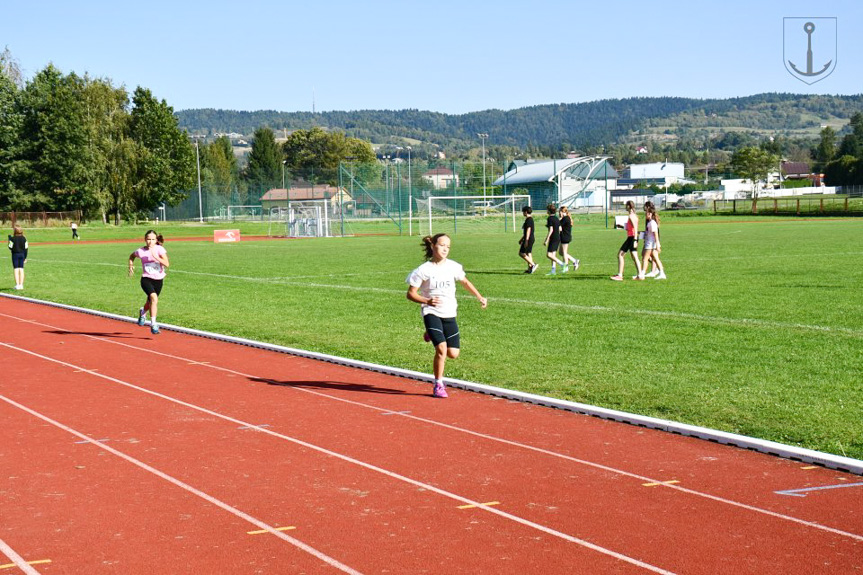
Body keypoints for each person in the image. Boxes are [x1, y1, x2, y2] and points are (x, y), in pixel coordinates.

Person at [406, 233, 487, 398]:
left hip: (449, 312)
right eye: (442, 245)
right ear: (433, 245)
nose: (445, 249)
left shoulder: (454, 266)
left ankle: (430, 332)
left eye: (448, 246)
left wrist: (479, 297)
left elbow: (465, 282)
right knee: (441, 349)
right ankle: (438, 385)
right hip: (431, 311)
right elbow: (410, 294)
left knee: (453, 354)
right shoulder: (423, 270)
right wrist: (426, 301)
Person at [128, 230, 170, 335]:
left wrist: (156, 257)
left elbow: (167, 264)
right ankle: (153, 324)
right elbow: (131, 256)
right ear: (145, 239)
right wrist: (131, 266)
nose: (150, 242)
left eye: (152, 239)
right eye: (148, 239)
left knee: (151, 302)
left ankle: (143, 312)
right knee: (154, 298)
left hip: (159, 279)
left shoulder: (160, 249)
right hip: (146, 279)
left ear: (156, 240)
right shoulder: (141, 251)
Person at [610, 201, 643, 281]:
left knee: (620, 255)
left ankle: (620, 275)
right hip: (632, 237)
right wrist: (621, 226)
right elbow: (630, 227)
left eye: (626, 205)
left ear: (629, 206)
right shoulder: (634, 215)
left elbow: (635, 228)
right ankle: (640, 275)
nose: (625, 207)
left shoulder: (631, 216)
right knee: (634, 256)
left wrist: (635, 240)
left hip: (632, 238)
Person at [641, 206, 667, 280]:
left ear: (649, 214)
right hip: (650, 243)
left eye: (646, 213)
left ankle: (642, 274)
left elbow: (655, 234)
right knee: (655, 258)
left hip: (650, 244)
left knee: (645, 258)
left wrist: (657, 245)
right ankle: (662, 273)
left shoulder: (652, 223)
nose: (645, 215)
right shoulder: (650, 222)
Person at [542, 203, 565, 275]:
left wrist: (546, 240)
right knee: (553, 255)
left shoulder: (550, 218)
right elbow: (560, 229)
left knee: (549, 255)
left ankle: (562, 264)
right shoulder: (556, 218)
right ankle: (553, 270)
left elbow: (551, 230)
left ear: (548, 211)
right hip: (558, 237)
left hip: (553, 237)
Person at [557, 206, 579, 273]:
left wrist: (560, 218)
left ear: (564, 212)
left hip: (565, 237)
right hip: (563, 236)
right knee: (561, 252)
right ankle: (574, 260)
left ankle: (566, 268)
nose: (559, 213)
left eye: (560, 212)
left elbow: (558, 225)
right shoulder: (565, 218)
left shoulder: (566, 218)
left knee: (564, 253)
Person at [518, 206, 539, 274]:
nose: (523, 213)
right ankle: (530, 269)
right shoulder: (529, 219)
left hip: (529, 238)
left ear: (526, 212)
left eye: (523, 212)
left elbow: (528, 230)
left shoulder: (529, 219)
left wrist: (526, 240)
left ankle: (533, 264)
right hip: (530, 238)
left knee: (521, 253)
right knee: (528, 253)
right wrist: (521, 239)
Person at [8, 226, 28, 290]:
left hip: (15, 255)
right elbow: (26, 248)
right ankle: (21, 285)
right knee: (21, 269)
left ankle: (17, 285)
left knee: (16, 269)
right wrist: (25, 257)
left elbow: (10, 247)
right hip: (22, 255)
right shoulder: (24, 238)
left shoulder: (13, 239)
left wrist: (9, 239)